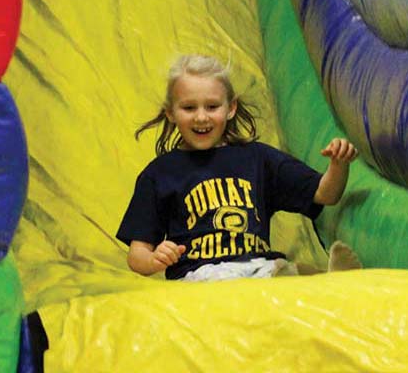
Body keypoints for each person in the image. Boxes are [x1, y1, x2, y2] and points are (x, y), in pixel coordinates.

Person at [116, 54, 361, 281]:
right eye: (189, 108)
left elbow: (324, 194)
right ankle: (306, 284)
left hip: (257, 266)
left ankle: (333, 283)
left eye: (212, 107)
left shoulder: (257, 158)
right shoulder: (159, 174)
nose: (201, 117)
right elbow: (137, 256)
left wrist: (338, 165)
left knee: (284, 268)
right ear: (170, 112)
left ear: (230, 108)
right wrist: (154, 259)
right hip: (199, 274)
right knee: (273, 275)